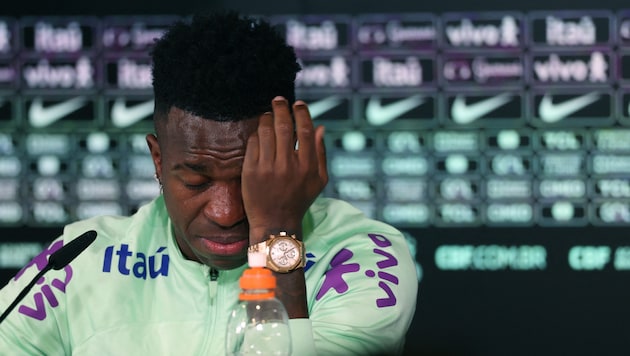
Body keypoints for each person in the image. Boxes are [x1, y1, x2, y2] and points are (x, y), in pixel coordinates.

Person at [0, 11, 418, 355]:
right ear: (159, 161)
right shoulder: (81, 259)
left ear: (291, 161)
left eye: (249, 179)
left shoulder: (366, 255)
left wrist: (277, 233)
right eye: (197, 181)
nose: (226, 212)